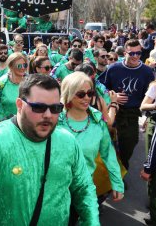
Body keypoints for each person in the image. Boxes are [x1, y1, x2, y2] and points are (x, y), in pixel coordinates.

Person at [0, 74, 99, 225]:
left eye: (55, 108)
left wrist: (92, 222)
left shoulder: (67, 142)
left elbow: (84, 188)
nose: (48, 115)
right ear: (19, 105)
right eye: (38, 107)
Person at [57, 72, 124, 224]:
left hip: (84, 188)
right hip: (55, 189)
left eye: (90, 93)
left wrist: (117, 183)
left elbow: (108, 154)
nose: (87, 98)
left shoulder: (98, 121)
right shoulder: (55, 120)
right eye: (81, 94)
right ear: (68, 94)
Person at [98, 39, 154, 171]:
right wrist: (113, 96)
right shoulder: (113, 68)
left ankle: (121, 169)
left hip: (132, 114)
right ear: (125, 52)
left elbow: (152, 96)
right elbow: (99, 88)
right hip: (112, 111)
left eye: (138, 53)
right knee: (107, 145)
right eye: (132, 53)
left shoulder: (146, 72)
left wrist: (147, 116)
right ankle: (114, 176)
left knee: (129, 144)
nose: (135, 56)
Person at [0, 52, 27, 122]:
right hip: (4, 125)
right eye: (19, 66)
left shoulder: (30, 82)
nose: (22, 68)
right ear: (10, 66)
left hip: (24, 125)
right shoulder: (1, 83)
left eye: (25, 65)